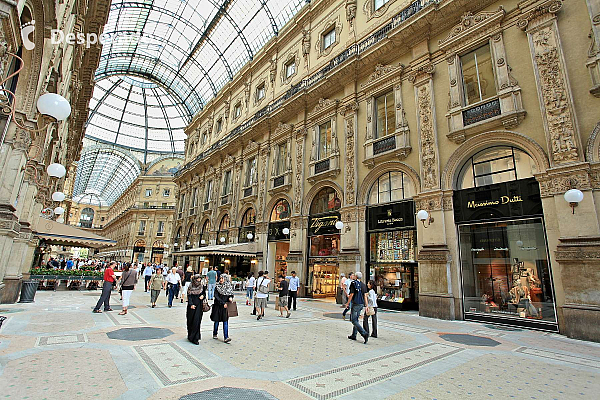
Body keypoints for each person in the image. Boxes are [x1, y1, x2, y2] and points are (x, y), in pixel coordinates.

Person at [345, 271, 369, 344]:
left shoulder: (354, 283)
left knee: (353, 320)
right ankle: (354, 335)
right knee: (356, 319)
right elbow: (365, 296)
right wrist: (366, 305)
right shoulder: (363, 285)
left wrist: (347, 303)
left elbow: (351, 294)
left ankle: (364, 333)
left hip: (356, 303)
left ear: (356, 276)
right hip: (361, 304)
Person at [211, 274, 233, 343]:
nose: (221, 280)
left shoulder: (228, 287)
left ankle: (226, 337)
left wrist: (231, 298)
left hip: (225, 307)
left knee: (225, 321)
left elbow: (231, 294)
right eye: (220, 278)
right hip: (218, 306)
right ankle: (215, 333)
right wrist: (223, 303)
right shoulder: (217, 287)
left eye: (222, 278)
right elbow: (216, 296)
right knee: (216, 321)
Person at [186, 274, 206, 345]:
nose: (199, 280)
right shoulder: (191, 286)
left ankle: (196, 338)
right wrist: (191, 304)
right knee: (190, 321)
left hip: (199, 306)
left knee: (197, 322)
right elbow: (189, 296)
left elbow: (204, 294)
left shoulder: (202, 286)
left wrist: (202, 296)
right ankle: (190, 336)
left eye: (200, 278)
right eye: (198, 279)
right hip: (191, 307)